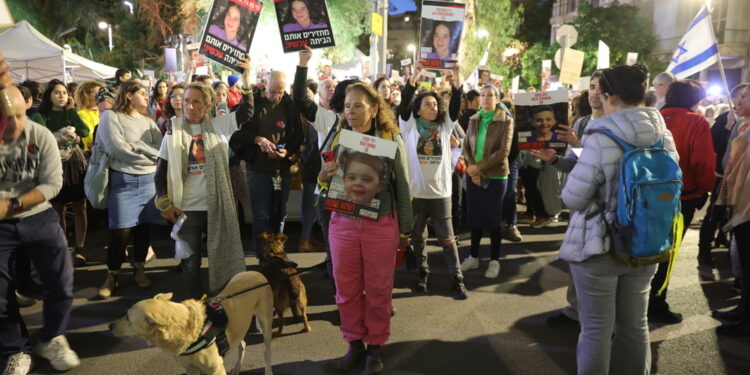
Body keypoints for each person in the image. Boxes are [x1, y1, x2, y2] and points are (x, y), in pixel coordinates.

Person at [560, 64, 677, 374]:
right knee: (636, 325)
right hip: (646, 241)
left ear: (609, 96)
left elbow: (573, 197)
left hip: (600, 244)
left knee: (597, 329)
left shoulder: (602, 138)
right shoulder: (663, 136)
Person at [317, 82, 411, 375]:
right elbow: (327, 185)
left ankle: (375, 346)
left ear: (374, 108)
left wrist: (405, 231)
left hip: (380, 224)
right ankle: (354, 344)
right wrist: (322, 176)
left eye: (358, 105)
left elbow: (403, 186)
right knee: (346, 289)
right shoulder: (339, 138)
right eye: (347, 106)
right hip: (342, 223)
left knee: (378, 289)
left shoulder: (390, 137)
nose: (352, 111)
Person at [0, 84, 81, 375]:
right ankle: (15, 349)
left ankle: (51, 337)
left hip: (39, 216)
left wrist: (11, 205)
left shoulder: (41, 135)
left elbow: (52, 184)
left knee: (61, 280)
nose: (15, 124)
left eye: (19, 115)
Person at [155, 72, 252, 298]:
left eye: (196, 102)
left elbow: (247, 111)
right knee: (191, 263)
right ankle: (196, 308)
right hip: (186, 208)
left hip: (217, 205)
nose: (189, 106)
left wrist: (245, 80)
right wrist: (165, 204)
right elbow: (160, 174)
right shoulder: (173, 130)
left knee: (223, 258)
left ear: (207, 105)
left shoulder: (220, 125)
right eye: (187, 101)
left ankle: (223, 304)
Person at [537, 73, 606, 327]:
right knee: (576, 259)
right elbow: (572, 164)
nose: (593, 93)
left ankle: (596, 319)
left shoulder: (613, 125)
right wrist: (552, 159)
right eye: (591, 87)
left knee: (598, 264)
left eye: (598, 88)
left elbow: (600, 166)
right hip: (578, 202)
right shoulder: (582, 123)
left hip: (603, 204)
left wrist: (578, 146)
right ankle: (574, 311)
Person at [398, 61, 467, 298]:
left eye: (436, 104)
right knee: (418, 238)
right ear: (418, 109)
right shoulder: (408, 126)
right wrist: (414, 76)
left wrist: (456, 80)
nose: (434, 107)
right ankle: (422, 273)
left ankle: (457, 278)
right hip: (416, 193)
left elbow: (456, 106)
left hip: (441, 193)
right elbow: (405, 101)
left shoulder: (445, 126)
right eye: (428, 104)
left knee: (447, 238)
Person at [650, 80, 715, 324]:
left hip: (648, 194)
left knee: (646, 245)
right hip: (681, 196)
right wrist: (703, 190)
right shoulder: (696, 121)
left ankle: (640, 299)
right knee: (668, 251)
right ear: (694, 99)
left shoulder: (655, 117)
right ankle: (657, 302)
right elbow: (703, 163)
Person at [96, 81, 163, 299]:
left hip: (149, 181)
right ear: (129, 95)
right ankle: (112, 275)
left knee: (144, 229)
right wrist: (146, 154)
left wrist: (137, 147)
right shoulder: (111, 117)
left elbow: (160, 150)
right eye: (142, 93)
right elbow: (116, 148)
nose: (146, 97)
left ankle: (139, 270)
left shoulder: (148, 121)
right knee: (119, 232)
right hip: (123, 180)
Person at [229, 70, 304, 255]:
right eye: (273, 91)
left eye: (280, 92)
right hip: (258, 169)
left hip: (282, 169)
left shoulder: (289, 105)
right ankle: (262, 255)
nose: (276, 96)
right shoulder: (252, 103)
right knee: (261, 216)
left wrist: (287, 152)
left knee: (280, 215)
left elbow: (298, 135)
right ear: (264, 84)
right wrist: (258, 140)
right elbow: (237, 132)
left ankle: (278, 254)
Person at [293, 46, 342, 278]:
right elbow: (300, 99)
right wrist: (303, 64)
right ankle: (338, 288)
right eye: (327, 88)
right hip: (327, 186)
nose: (332, 90)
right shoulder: (324, 118)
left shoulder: (355, 116)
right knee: (332, 239)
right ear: (320, 97)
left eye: (335, 87)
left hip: (352, 188)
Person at [32, 80, 90, 266]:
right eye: (57, 92)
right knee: (58, 209)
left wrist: (71, 110)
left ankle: (80, 248)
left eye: (64, 92)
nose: (62, 96)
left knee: (80, 207)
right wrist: (63, 135)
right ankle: (62, 247)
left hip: (75, 164)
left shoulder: (70, 112)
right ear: (48, 95)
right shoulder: (40, 115)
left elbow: (84, 131)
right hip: (53, 165)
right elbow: (44, 137)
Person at [460, 84, 515, 278]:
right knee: (474, 218)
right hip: (474, 176)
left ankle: (494, 260)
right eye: (482, 95)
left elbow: (503, 152)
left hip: (496, 176)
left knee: (493, 220)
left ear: (497, 99)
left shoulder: (506, 121)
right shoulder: (474, 119)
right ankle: (473, 257)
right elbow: (466, 144)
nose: (485, 98)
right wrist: (472, 170)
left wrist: (478, 168)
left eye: (490, 95)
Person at [699, 84, 746, 271]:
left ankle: (724, 245)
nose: (741, 101)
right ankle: (704, 251)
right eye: (740, 97)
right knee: (715, 214)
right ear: (734, 98)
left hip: (739, 183)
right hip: (723, 178)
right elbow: (723, 153)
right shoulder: (726, 122)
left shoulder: (741, 121)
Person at [715, 83, 750, 337]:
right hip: (741, 204)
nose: (737, 102)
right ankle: (743, 309)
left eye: (743, 98)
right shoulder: (744, 126)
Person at [518, 106, 563, 229]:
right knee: (529, 186)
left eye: (548, 119)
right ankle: (530, 212)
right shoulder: (528, 136)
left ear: (554, 121)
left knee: (535, 187)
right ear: (532, 122)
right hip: (528, 161)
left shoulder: (558, 138)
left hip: (543, 164)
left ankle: (542, 215)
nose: (544, 123)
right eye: (539, 120)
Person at [73, 80, 104, 152]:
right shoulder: (82, 114)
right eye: (98, 93)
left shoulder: (103, 111)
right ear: (86, 95)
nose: (101, 95)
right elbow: (89, 137)